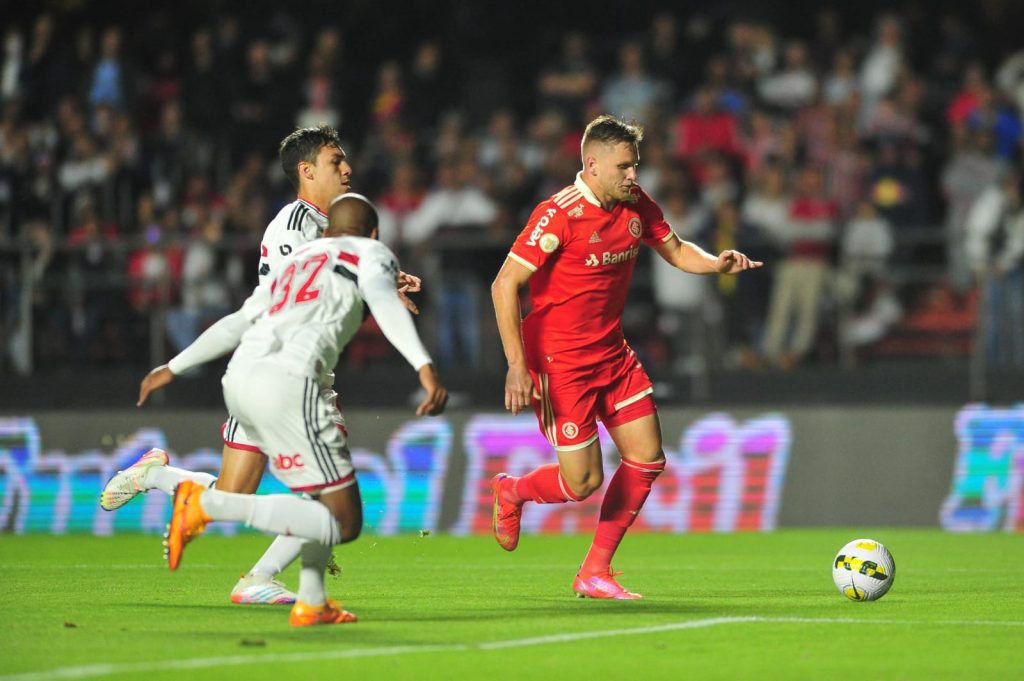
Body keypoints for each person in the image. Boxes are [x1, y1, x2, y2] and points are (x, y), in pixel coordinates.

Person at [100, 125, 420, 605]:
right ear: (307, 171)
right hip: (284, 373)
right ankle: (261, 579)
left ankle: (154, 475)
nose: (348, 168)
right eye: (337, 161)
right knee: (328, 500)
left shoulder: (330, 224)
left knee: (234, 495)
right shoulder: (293, 227)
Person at [489, 114, 762, 599]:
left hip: (612, 355)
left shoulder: (636, 203)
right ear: (592, 165)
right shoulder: (559, 214)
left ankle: (595, 571)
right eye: (624, 167)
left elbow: (676, 250)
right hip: (560, 364)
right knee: (583, 482)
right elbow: (504, 284)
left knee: (647, 458)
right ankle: (512, 490)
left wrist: (715, 261)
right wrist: (516, 364)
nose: (634, 175)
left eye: (635, 165)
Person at [159, 193, 447, 626]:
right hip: (291, 383)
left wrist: (175, 365)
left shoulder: (300, 260)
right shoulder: (368, 251)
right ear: (373, 234)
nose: (345, 168)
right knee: (338, 518)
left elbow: (239, 319)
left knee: (319, 496)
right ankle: (203, 507)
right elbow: (384, 306)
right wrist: (423, 365)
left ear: (328, 232)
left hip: (241, 376)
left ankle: (312, 599)